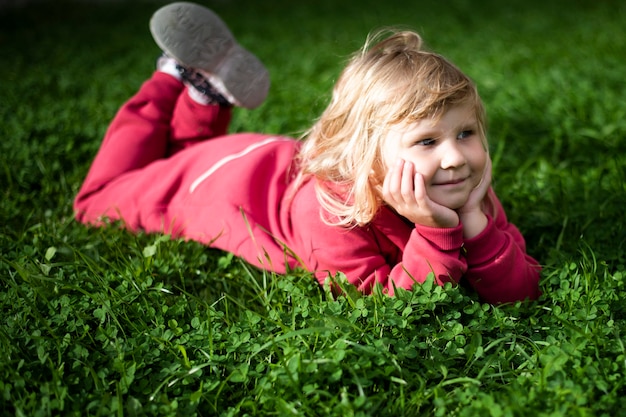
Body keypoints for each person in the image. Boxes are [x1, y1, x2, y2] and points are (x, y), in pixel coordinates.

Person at [74, 1, 541, 304]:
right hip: (217, 184)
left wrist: (477, 226)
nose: (456, 157)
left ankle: (205, 96)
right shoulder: (331, 213)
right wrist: (436, 234)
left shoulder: (463, 188)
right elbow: (381, 304)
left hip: (263, 161)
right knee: (100, 199)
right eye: (427, 141)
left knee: (190, 149)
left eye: (465, 134)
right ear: (364, 152)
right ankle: (171, 77)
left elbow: (520, 287)